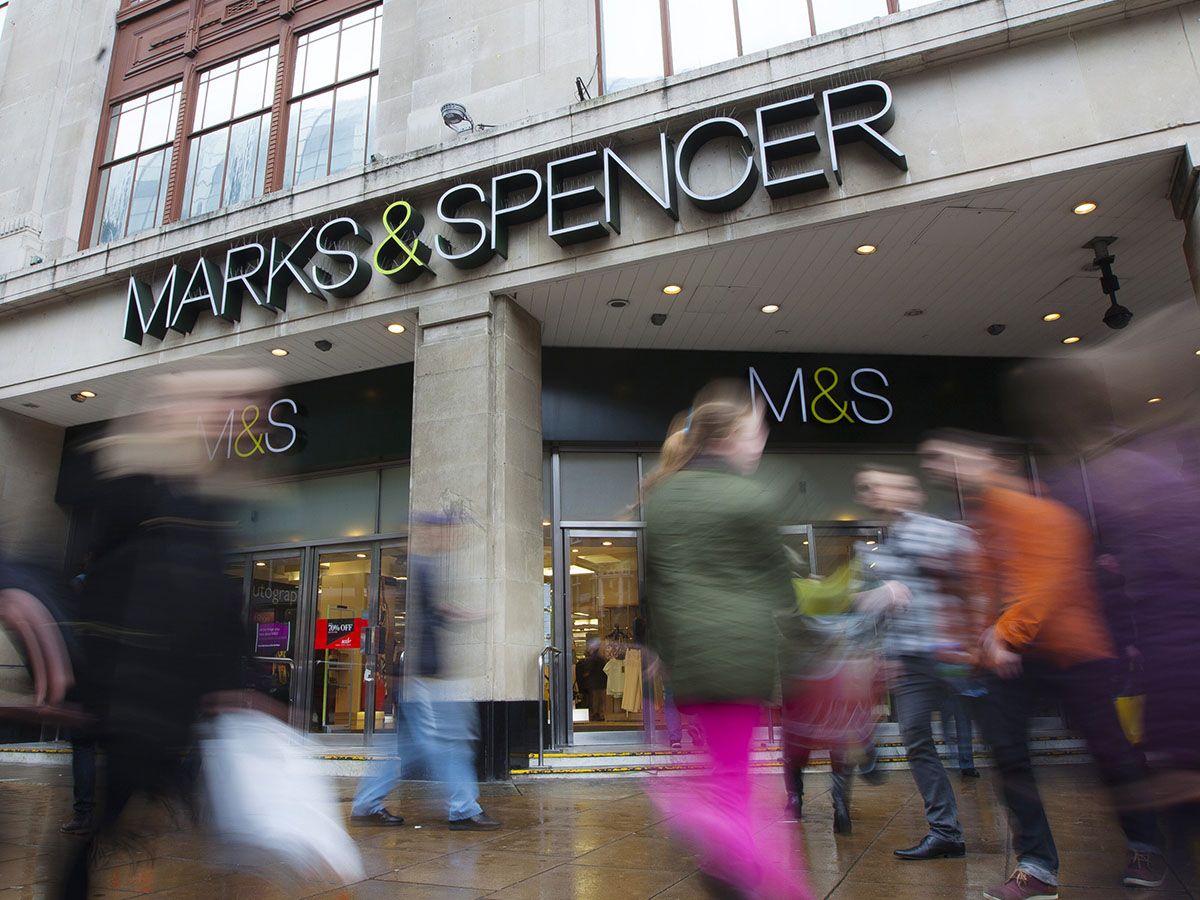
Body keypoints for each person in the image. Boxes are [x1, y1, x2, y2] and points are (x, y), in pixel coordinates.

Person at [920, 430, 1166, 900]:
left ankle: (1145, 845)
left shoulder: (1040, 512)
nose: (948, 468)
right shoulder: (982, 521)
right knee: (1010, 756)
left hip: (1073, 651)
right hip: (1015, 654)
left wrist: (1003, 635)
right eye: (941, 461)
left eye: (958, 458)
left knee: (1110, 753)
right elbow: (984, 590)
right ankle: (1037, 869)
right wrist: (975, 649)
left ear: (995, 461)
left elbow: (1047, 582)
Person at [642, 381, 808, 899]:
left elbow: (657, 587)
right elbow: (782, 590)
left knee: (722, 759)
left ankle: (725, 856)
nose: (760, 442)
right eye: (756, 431)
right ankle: (724, 840)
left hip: (693, 654)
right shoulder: (751, 496)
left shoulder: (663, 496)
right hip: (744, 651)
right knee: (734, 767)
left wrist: (668, 655)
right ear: (733, 436)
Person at [853, 465, 975, 860]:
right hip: (910, 663)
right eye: (868, 488)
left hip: (949, 655)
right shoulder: (887, 544)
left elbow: (975, 568)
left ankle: (1031, 846)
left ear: (908, 491)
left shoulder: (937, 530)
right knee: (917, 741)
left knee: (996, 737)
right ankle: (946, 832)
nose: (872, 492)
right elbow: (885, 607)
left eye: (879, 485)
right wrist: (883, 643)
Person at [351, 513, 500, 832]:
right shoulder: (419, 566)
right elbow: (420, 623)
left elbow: (433, 613)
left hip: (427, 677)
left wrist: (463, 615)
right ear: (429, 533)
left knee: (410, 747)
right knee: (449, 743)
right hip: (426, 678)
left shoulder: (425, 566)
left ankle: (366, 802)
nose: (452, 538)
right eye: (446, 532)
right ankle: (462, 808)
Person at [575, 636, 608, 722]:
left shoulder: (593, 658)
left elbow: (588, 669)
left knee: (595, 701)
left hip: (594, 683)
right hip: (601, 683)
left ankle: (595, 715)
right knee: (600, 700)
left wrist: (585, 674)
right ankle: (600, 715)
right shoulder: (601, 658)